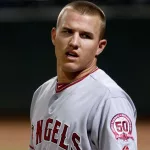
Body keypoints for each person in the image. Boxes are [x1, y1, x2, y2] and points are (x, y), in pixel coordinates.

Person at [29, 1, 137, 150]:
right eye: (67, 32)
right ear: (54, 36)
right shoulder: (41, 94)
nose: (74, 42)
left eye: (85, 36)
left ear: (100, 46)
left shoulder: (110, 100)